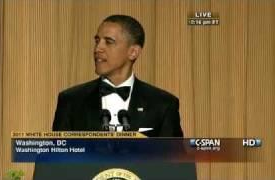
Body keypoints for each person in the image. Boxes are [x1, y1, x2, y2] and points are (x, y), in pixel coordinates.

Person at [34, 14, 196, 180]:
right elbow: (54, 165)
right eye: (97, 41)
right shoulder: (71, 100)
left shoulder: (163, 104)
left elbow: (176, 168)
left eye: (108, 42)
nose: (98, 48)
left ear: (133, 52)